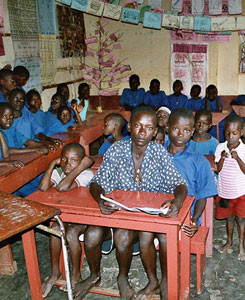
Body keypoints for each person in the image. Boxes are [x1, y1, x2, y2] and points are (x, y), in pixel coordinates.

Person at [74, 107, 187, 300]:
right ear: (129, 127)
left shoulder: (159, 153)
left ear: (155, 131)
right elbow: (96, 182)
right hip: (121, 215)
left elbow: (179, 184)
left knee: (125, 237)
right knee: (93, 234)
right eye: (138, 126)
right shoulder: (117, 150)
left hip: (146, 217)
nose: (142, 133)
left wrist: (177, 201)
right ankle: (98, 276)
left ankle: (142, 279)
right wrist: (101, 200)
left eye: (149, 128)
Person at [138, 108, 217, 299]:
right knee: (143, 235)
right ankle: (152, 280)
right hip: (157, 212)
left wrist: (194, 220)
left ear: (192, 131)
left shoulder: (199, 161)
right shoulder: (156, 155)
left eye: (186, 130)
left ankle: (167, 280)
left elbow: (203, 196)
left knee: (166, 238)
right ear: (167, 127)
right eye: (175, 129)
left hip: (184, 217)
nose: (180, 134)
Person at [39, 143, 94, 297]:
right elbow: (43, 187)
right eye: (63, 159)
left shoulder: (86, 174)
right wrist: (52, 164)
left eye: (73, 160)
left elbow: (62, 187)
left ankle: (76, 275)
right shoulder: (60, 170)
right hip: (66, 216)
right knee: (55, 229)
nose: (67, 164)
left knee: (71, 234)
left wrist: (82, 166)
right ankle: (55, 272)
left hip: (85, 218)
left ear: (82, 162)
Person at [215, 115, 245, 261]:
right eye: (227, 133)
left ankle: (241, 247)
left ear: (241, 133)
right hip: (224, 192)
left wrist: (237, 158)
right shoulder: (220, 147)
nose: (230, 137)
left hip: (241, 193)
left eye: (234, 133)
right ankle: (229, 242)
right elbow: (218, 169)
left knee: (241, 220)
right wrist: (223, 159)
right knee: (229, 218)